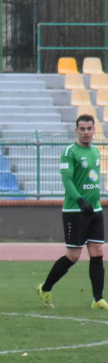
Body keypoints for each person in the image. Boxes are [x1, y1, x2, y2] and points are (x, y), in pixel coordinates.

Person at [37, 114, 107, 310]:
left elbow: (92, 178)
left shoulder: (94, 151)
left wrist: (93, 201)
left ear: (94, 130)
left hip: (95, 209)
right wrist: (80, 200)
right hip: (75, 210)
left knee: (97, 251)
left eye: (89, 129)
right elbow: (67, 181)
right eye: (82, 129)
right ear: (77, 130)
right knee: (73, 255)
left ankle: (97, 299)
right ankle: (45, 288)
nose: (86, 132)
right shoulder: (69, 152)